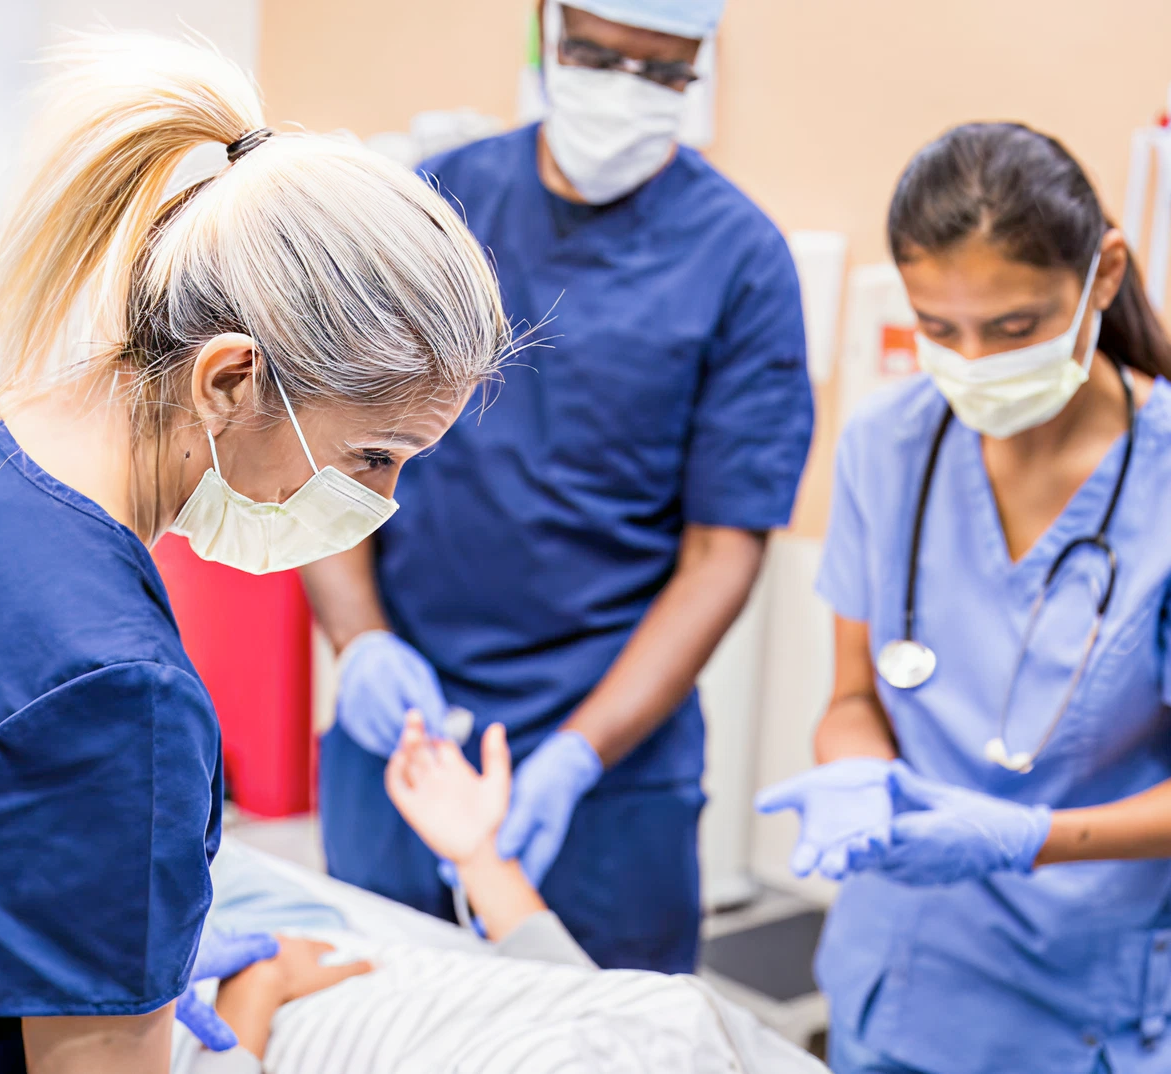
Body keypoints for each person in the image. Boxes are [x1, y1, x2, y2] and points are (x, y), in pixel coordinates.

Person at [0, 31, 509, 1074]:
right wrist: (258, 1000)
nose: (384, 502)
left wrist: (113, 945)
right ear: (231, 381)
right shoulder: (117, 691)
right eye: (375, 455)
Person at [303, 0, 814, 973]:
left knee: (601, 1027)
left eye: (661, 72)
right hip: (406, 731)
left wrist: (582, 752)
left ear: (701, 62)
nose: (622, 90)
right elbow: (330, 450)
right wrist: (359, 639)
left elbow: (724, 551)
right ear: (546, 29)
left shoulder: (740, 261)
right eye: (594, 54)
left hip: (610, 764)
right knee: (380, 1013)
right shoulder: (434, 208)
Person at [756, 122, 1171, 1074]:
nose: (974, 362)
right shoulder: (886, 444)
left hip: (1092, 994)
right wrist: (850, 776)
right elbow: (852, 701)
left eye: (1015, 328)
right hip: (903, 976)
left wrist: (1024, 838)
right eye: (938, 329)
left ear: (1104, 274)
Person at [176, 718, 826, 1074]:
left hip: (230, 1011)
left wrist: (260, 984)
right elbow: (594, 1005)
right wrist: (482, 858)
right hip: (330, 949)